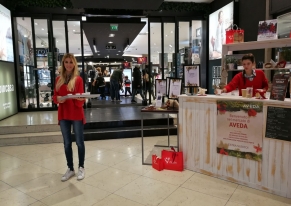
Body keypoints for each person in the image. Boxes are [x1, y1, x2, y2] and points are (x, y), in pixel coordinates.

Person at [53, 53, 86, 182]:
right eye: (66, 62)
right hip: (63, 114)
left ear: (74, 64)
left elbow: (81, 100)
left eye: (71, 62)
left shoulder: (78, 80)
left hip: (76, 114)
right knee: (67, 143)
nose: (68, 64)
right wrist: (58, 99)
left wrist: (79, 99)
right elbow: (55, 96)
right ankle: (70, 168)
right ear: (63, 63)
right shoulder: (58, 80)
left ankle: (81, 167)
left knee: (79, 142)